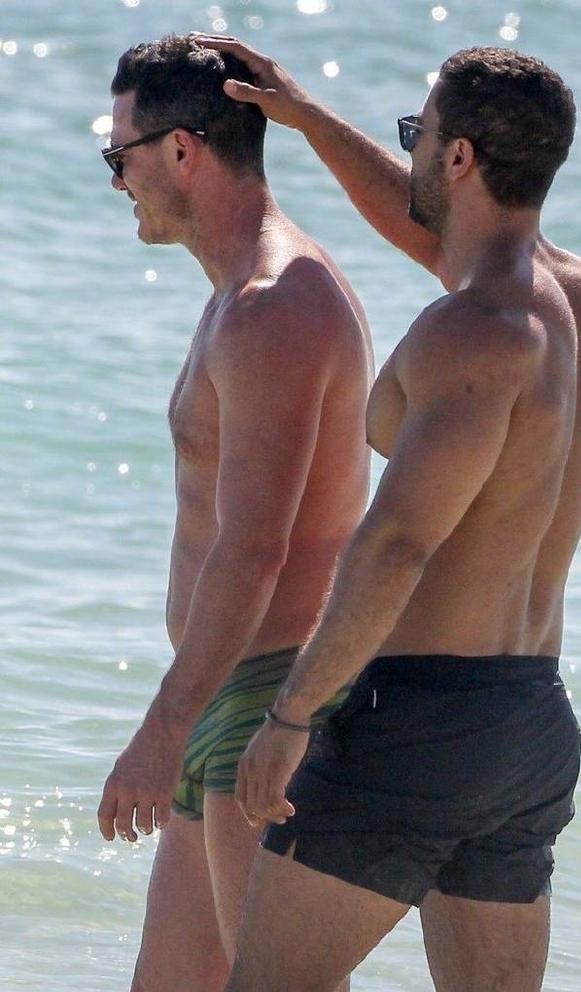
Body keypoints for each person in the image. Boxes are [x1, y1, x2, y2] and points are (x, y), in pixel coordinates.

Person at [195, 38, 581, 992]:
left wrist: (292, 715)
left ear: (457, 157)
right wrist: (309, 120)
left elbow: (396, 546)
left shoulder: (471, 331)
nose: (410, 154)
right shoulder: (578, 305)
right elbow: (437, 233)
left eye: (413, 135)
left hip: (418, 723)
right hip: (528, 725)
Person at [96, 35, 373, 992]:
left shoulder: (272, 304)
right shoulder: (238, 298)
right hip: (226, 693)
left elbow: (258, 551)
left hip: (269, 703)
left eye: (119, 155)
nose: (117, 180)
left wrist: (159, 729)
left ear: (181, 150)